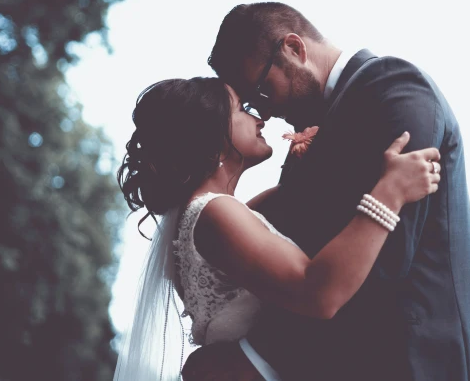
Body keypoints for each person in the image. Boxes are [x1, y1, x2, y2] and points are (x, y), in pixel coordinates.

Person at [185, 2, 470, 380]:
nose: (266, 114)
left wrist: (252, 360)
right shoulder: (333, 119)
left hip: (424, 361)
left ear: (294, 49)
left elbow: (382, 264)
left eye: (261, 92)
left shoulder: (394, 88)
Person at [112, 77, 441, 381]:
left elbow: (294, 198)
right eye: (242, 109)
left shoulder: (223, 213)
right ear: (211, 135)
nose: (261, 119)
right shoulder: (214, 212)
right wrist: (391, 192)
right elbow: (318, 294)